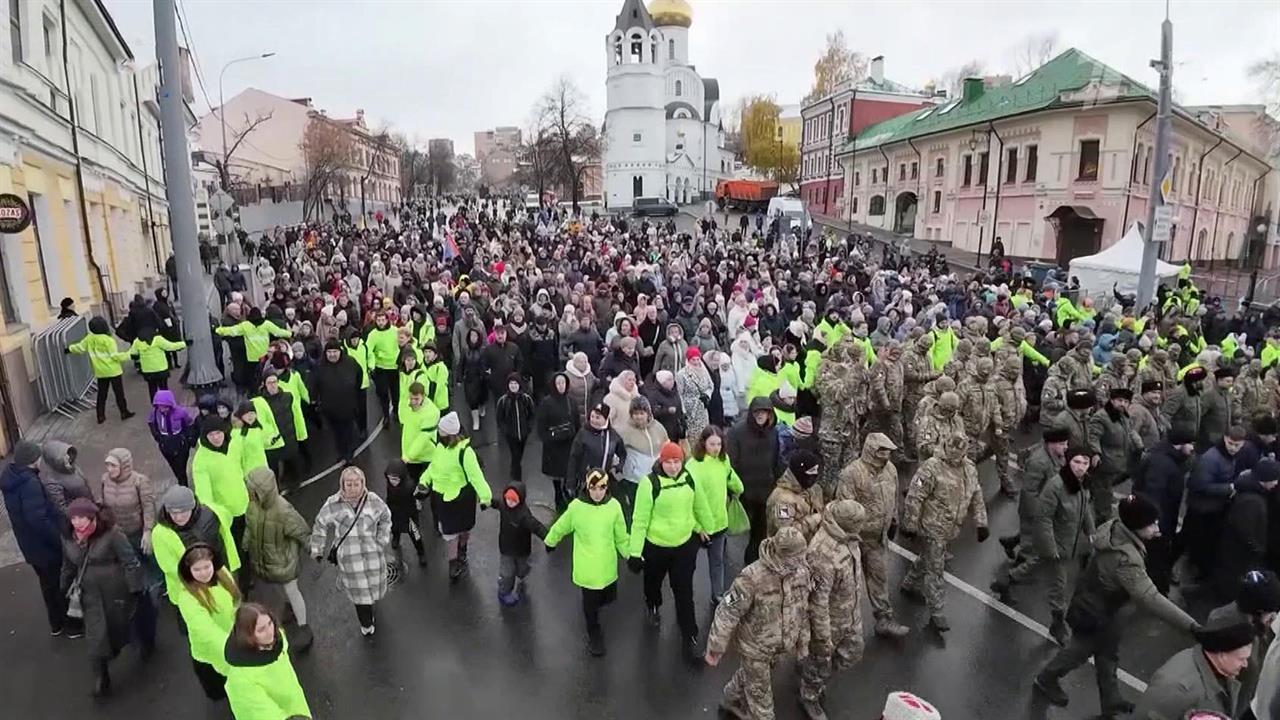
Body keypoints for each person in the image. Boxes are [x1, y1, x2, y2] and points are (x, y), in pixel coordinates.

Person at [1035, 495, 1198, 716]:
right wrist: (1191, 626)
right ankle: (1046, 678)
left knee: (1108, 653)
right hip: (1098, 611)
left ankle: (1110, 699)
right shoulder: (1125, 559)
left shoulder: (1116, 527)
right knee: (1079, 650)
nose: (1156, 527)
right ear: (1137, 525)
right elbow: (1150, 597)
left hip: (1103, 607)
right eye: (1152, 523)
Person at [705, 525, 812, 720]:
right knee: (763, 710)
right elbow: (727, 611)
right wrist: (716, 646)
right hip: (754, 649)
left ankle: (730, 698)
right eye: (796, 559)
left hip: (778, 646)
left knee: (750, 676)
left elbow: (802, 609)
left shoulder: (800, 571)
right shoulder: (751, 578)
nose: (801, 563)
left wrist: (802, 643)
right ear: (782, 555)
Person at [628, 441, 714, 662]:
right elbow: (639, 520)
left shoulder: (688, 478)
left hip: (684, 546)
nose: (674, 467)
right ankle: (653, 604)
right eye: (669, 462)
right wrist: (635, 553)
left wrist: (704, 528)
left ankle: (690, 636)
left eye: (677, 462)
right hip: (656, 546)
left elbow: (697, 506)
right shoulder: (649, 484)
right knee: (653, 583)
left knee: (684, 592)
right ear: (661, 461)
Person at [899, 434, 989, 632]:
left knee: (929, 558)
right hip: (933, 526)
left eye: (959, 451)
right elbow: (915, 495)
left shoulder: (969, 469)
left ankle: (909, 582)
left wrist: (982, 522)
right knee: (936, 569)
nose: (955, 454)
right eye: (952, 450)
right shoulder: (932, 467)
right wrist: (911, 523)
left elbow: (976, 495)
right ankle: (936, 611)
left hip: (952, 527)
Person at [61, 498, 143, 697]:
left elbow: (130, 561)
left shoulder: (112, 534)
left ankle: (130, 645)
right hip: (88, 596)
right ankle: (101, 675)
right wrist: (63, 587)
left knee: (117, 628)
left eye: (82, 517)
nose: (78, 522)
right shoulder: (68, 538)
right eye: (74, 518)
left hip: (115, 593)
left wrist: (135, 589)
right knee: (95, 636)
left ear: (92, 516)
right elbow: (68, 565)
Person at [544, 469, 630, 657]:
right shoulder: (576, 507)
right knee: (590, 605)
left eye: (602, 488)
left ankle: (595, 613)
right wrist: (551, 541)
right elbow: (561, 526)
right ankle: (594, 633)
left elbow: (621, 536)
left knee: (608, 598)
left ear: (607, 488)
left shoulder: (614, 506)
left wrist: (630, 556)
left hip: (607, 566)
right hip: (587, 569)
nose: (597, 492)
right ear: (587, 487)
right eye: (593, 488)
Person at [836, 432, 910, 638]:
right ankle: (843, 629)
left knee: (879, 577)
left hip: (877, 538)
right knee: (848, 585)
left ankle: (884, 619)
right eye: (882, 450)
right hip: (855, 540)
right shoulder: (851, 474)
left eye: (888, 451)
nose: (886, 455)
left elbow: (893, 497)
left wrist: (894, 519)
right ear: (871, 450)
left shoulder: (890, 470)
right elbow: (843, 509)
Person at [799, 500, 868, 720]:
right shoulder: (823, 553)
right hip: (830, 620)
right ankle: (809, 695)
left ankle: (816, 676)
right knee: (820, 661)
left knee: (852, 652)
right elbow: (817, 602)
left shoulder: (847, 537)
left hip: (849, 612)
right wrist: (822, 637)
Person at [0, 440, 72, 637]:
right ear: (32, 461)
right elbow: (38, 519)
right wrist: (59, 541)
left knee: (47, 585)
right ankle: (71, 625)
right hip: (44, 548)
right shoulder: (30, 483)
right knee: (60, 584)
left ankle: (55, 624)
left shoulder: (11, 478)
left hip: (29, 546)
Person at [309, 466, 392, 636]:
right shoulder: (333, 503)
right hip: (350, 560)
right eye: (349, 484)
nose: (353, 488)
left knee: (373, 590)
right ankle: (366, 624)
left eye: (356, 484)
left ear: (363, 483)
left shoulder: (373, 500)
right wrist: (317, 548)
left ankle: (370, 608)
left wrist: (382, 538)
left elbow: (385, 517)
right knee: (360, 597)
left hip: (373, 557)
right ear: (343, 484)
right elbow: (320, 524)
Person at [93, 448, 159, 655]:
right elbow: (103, 505)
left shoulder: (140, 481)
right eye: (108, 465)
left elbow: (149, 507)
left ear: (125, 465)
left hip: (137, 533)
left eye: (113, 465)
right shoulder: (105, 480)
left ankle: (156, 595)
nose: (109, 469)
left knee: (148, 568)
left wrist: (148, 531)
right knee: (130, 572)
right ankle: (140, 598)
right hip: (117, 536)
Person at [1133, 614, 1255, 720]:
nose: (1245, 664)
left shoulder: (1218, 669)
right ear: (1222, 654)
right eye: (1241, 659)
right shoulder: (1175, 689)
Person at [243, 466, 312, 650]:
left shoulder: (283, 510)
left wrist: (315, 551)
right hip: (266, 561)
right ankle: (290, 609)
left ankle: (304, 626)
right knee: (279, 589)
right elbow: (250, 528)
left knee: (292, 591)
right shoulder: (252, 506)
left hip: (284, 562)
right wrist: (245, 544)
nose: (249, 492)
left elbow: (302, 532)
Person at [419, 412, 493, 582]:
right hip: (443, 500)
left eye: (441, 431)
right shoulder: (440, 447)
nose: (438, 433)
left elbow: (476, 477)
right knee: (449, 533)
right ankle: (453, 562)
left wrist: (485, 497)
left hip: (462, 499)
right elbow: (433, 468)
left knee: (465, 529)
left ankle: (463, 549)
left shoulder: (466, 453)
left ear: (449, 434)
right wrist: (424, 481)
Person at [1131, 427, 1197, 594]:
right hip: (1157, 524)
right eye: (1190, 444)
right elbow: (1153, 496)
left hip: (1158, 521)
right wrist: (1154, 525)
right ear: (1179, 444)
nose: (1192, 448)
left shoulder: (1166, 458)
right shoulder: (1163, 464)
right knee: (1155, 561)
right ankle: (1156, 594)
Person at [1206, 569, 1280, 717]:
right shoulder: (1225, 628)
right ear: (1257, 613)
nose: (1274, 618)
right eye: (1271, 614)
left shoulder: (1255, 625)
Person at [173, 543, 240, 701]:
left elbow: (237, 603)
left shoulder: (223, 576)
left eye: (206, 567)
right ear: (188, 571)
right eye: (197, 569)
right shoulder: (187, 598)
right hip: (211, 658)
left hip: (232, 646)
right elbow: (205, 630)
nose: (203, 573)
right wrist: (233, 648)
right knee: (222, 696)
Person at [686, 425, 744, 606]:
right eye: (712, 444)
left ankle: (717, 594)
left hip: (719, 522)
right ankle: (685, 599)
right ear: (703, 443)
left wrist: (738, 488)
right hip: (698, 527)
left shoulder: (723, 460)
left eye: (719, 444)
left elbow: (730, 477)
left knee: (717, 562)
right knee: (689, 566)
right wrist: (698, 526)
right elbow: (687, 500)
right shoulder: (692, 466)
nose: (716, 448)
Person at [152, 485, 241, 602]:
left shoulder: (212, 513)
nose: (178, 517)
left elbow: (227, 520)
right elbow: (169, 566)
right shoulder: (160, 533)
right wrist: (200, 575)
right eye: (173, 513)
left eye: (183, 512)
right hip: (189, 586)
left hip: (221, 572)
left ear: (192, 507)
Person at [222, 603, 312, 719]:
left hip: (296, 705)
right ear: (248, 637)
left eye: (269, 623)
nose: (270, 632)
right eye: (261, 630)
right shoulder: (241, 680)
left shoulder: (277, 640)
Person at [726, 396, 781, 565]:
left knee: (760, 534)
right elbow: (732, 463)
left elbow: (776, 458)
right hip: (745, 492)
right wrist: (733, 489)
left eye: (764, 412)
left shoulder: (773, 432)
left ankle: (753, 565)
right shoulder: (737, 432)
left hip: (766, 491)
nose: (760, 415)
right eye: (757, 411)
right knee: (740, 532)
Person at [191, 416, 248, 553]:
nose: (216, 438)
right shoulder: (200, 461)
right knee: (236, 548)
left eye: (218, 433)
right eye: (211, 434)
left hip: (245, 504)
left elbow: (243, 467)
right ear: (205, 436)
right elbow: (204, 497)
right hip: (227, 515)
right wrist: (219, 515)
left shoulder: (234, 444)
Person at [66, 316, 134, 424]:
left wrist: (69, 349)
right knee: (119, 393)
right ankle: (124, 412)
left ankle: (100, 415)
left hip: (100, 372)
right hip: (113, 371)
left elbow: (80, 347)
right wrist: (129, 355)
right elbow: (115, 356)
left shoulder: (89, 339)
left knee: (102, 394)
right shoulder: (108, 340)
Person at [491, 482, 548, 606]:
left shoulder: (524, 515)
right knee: (507, 572)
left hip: (522, 549)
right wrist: (487, 502)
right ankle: (504, 592)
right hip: (506, 548)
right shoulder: (503, 505)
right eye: (508, 499)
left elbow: (536, 527)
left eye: (513, 500)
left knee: (522, 569)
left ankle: (522, 575)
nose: (509, 502)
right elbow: (495, 503)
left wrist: (548, 538)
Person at [614, 395, 669, 519]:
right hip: (634, 479)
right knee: (636, 510)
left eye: (641, 413)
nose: (638, 416)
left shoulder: (658, 427)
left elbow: (666, 446)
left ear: (648, 413)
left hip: (654, 476)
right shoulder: (625, 431)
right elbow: (617, 453)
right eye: (635, 413)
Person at [311, 339, 364, 463]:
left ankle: (349, 454)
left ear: (340, 351)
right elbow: (314, 385)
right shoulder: (320, 366)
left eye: (335, 351)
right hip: (330, 410)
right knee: (337, 434)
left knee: (348, 432)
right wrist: (314, 399)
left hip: (348, 407)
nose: (332, 355)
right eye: (329, 352)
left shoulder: (350, 363)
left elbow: (359, 377)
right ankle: (341, 452)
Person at [536, 372, 579, 513]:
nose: (561, 386)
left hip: (569, 445)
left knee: (569, 474)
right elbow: (541, 429)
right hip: (553, 448)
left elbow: (576, 422)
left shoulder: (571, 401)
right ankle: (559, 501)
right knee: (556, 477)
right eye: (558, 383)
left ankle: (569, 501)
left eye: (563, 383)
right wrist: (553, 436)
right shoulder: (546, 403)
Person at [566, 403, 627, 502]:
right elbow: (574, 457)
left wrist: (619, 466)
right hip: (585, 481)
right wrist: (570, 482)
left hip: (604, 480)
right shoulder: (583, 433)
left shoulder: (613, 436)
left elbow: (622, 453)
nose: (593, 420)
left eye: (597, 417)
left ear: (605, 419)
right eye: (592, 416)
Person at [383, 459, 427, 569]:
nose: (393, 482)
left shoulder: (410, 486)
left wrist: (423, 493)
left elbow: (418, 495)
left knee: (416, 536)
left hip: (409, 516)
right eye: (390, 479)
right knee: (394, 528)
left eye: (395, 479)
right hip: (395, 513)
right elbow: (389, 498)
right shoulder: (390, 485)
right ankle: (396, 538)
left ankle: (421, 553)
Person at [148, 390, 196, 486]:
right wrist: (157, 437)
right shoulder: (154, 413)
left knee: (181, 467)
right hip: (165, 444)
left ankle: (183, 485)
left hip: (180, 443)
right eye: (159, 406)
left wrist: (187, 439)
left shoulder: (180, 412)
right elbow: (151, 423)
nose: (162, 409)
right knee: (173, 466)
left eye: (165, 406)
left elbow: (189, 423)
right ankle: (181, 480)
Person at [495, 373, 536, 481]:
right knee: (515, 456)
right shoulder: (503, 401)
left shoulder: (526, 399)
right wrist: (506, 430)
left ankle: (515, 470)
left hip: (523, 433)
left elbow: (532, 414)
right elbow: (500, 418)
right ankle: (516, 477)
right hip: (511, 435)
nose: (513, 386)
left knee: (519, 454)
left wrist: (529, 428)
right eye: (511, 383)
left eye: (515, 383)